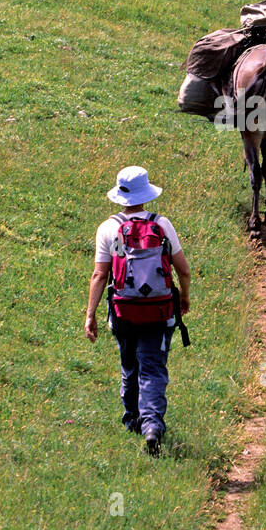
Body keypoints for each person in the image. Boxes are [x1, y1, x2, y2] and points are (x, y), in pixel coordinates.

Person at [85, 166, 191, 456]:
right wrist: (184, 298)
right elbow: (183, 270)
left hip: (123, 311)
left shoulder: (108, 229)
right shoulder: (162, 224)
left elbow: (100, 275)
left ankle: (133, 419)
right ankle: (152, 426)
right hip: (159, 310)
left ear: (120, 196)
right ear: (147, 194)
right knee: (153, 368)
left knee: (129, 364)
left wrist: (90, 314)